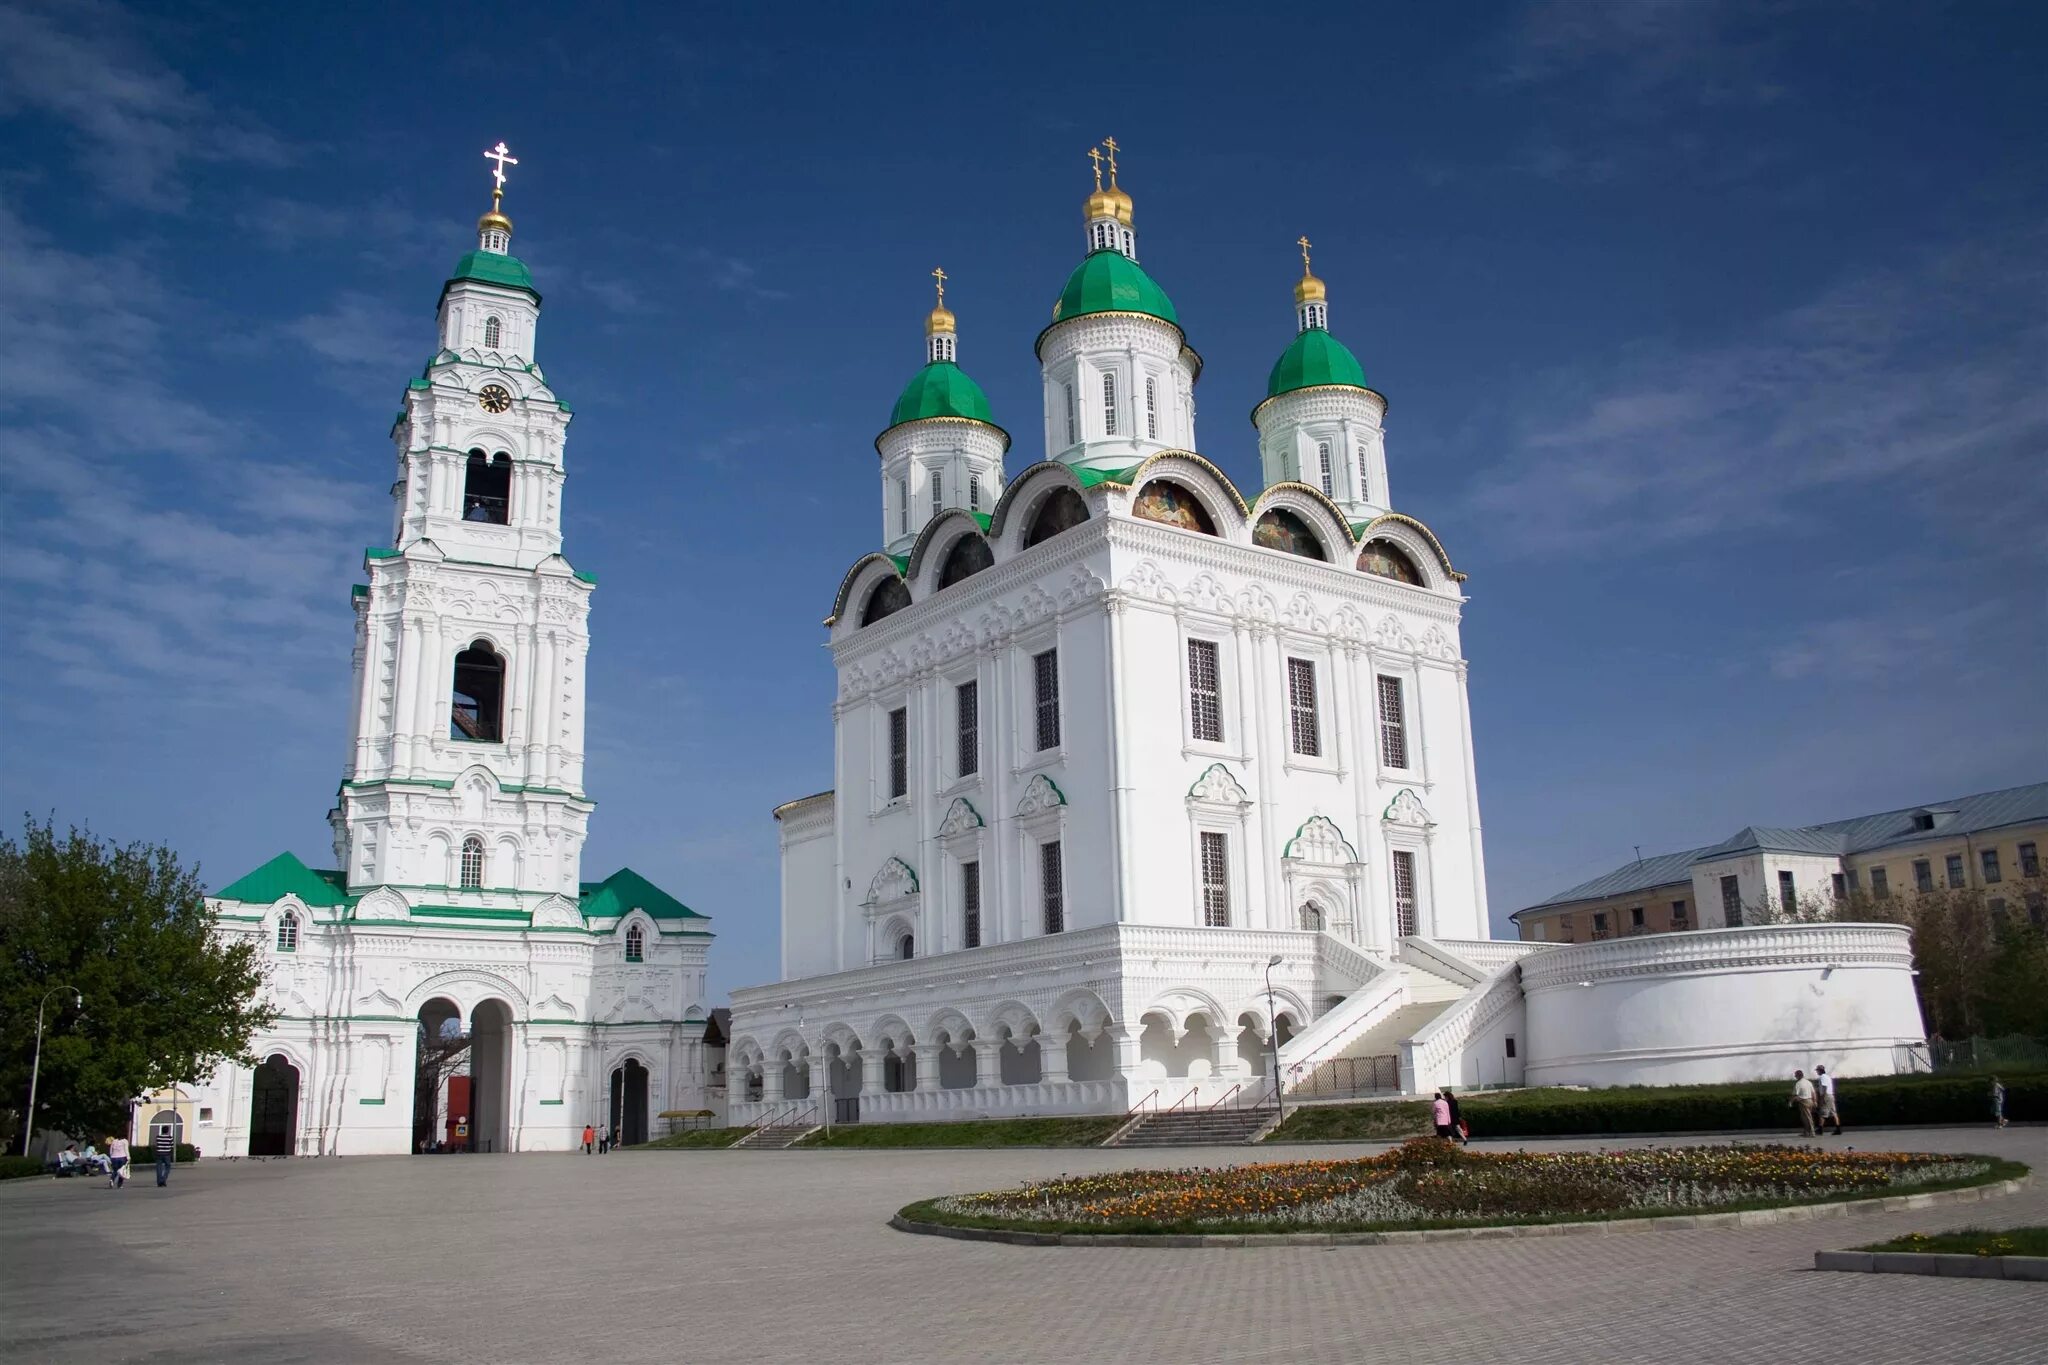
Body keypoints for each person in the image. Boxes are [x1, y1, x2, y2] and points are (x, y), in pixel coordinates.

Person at [1813, 1065, 1842, 1135]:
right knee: (1833, 1112)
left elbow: (1824, 1087)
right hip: (1831, 1095)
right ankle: (1838, 1128)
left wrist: (1822, 1097)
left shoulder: (1822, 1077)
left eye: (1817, 1070)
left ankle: (1820, 1129)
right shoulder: (1828, 1077)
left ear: (1820, 1070)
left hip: (1826, 1095)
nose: (1817, 1072)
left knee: (1823, 1112)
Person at [1790, 1069, 1816, 1138]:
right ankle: (1806, 1132)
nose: (1795, 1077)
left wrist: (1790, 1102)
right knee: (1805, 1117)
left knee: (1807, 1117)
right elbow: (1813, 1092)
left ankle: (1812, 1132)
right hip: (1810, 1100)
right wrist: (1815, 1101)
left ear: (1798, 1076)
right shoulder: (1808, 1082)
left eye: (1795, 1075)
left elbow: (1795, 1094)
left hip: (1803, 1101)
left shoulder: (1798, 1083)